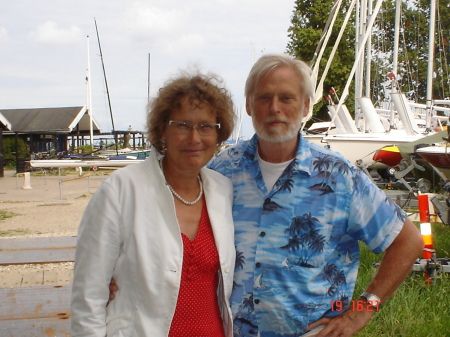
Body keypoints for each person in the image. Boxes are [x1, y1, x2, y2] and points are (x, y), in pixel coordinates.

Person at [208, 54, 423, 337]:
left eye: (287, 98)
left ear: (306, 105)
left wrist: (362, 309)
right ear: (248, 105)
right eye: (263, 98)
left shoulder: (339, 176)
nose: (274, 108)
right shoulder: (221, 171)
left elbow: (407, 241)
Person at [71, 71, 237, 336]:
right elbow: (88, 294)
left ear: (218, 134)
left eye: (206, 126)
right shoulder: (121, 190)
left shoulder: (223, 190)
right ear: (162, 131)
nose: (194, 138)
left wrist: (331, 308)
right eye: (182, 125)